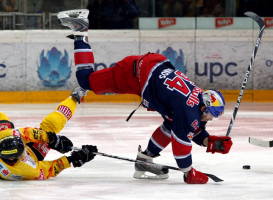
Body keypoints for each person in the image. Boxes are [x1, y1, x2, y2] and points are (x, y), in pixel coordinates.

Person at [58, 9, 233, 184]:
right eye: (213, 115)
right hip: (135, 74)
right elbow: (181, 147)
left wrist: (209, 142)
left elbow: (190, 127)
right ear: (204, 107)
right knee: (85, 81)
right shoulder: (189, 111)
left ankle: (145, 159)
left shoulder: (197, 100)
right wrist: (189, 173)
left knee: (172, 122)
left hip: (152, 67)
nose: (211, 119)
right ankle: (80, 29)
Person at [0, 87, 98, 180]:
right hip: (26, 158)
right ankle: (74, 97)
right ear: (12, 159)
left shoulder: (4, 135)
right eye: (21, 154)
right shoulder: (23, 168)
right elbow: (48, 169)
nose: (23, 151)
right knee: (52, 125)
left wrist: (52, 139)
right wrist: (73, 160)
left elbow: (26, 133)